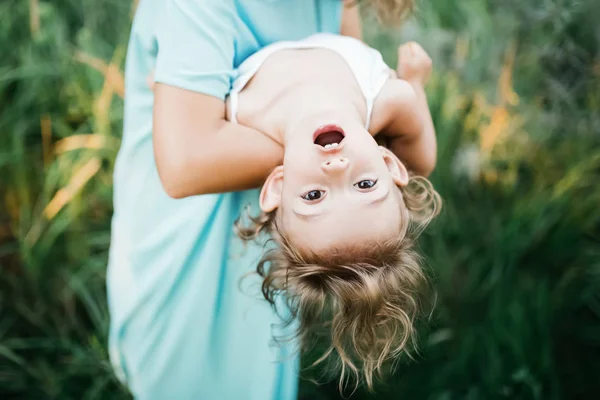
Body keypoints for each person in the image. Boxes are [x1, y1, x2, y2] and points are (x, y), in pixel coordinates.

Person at [107, 1, 414, 399]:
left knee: (255, 355)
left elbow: (348, 71)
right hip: (189, 228)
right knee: (182, 368)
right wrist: (350, 141)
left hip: (278, 225)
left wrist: (324, 154)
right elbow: (185, 163)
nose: (338, 163)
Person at [222, 35, 441, 389]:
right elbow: (422, 160)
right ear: (388, 163)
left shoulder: (240, 114)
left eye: (313, 195)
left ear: (278, 186)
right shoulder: (389, 99)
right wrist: (414, 82)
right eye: (366, 185)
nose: (337, 168)